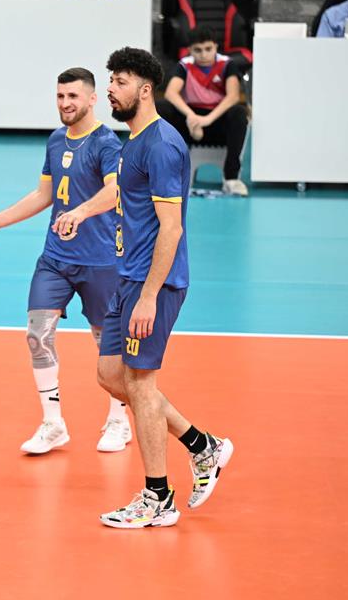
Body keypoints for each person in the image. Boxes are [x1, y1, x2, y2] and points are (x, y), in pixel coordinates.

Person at [72, 47, 234, 529]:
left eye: (119, 82)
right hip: (128, 276)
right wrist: (82, 212)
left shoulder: (162, 145)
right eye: (111, 81)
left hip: (154, 284)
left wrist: (148, 296)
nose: (110, 90)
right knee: (110, 375)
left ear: (145, 89)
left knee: (141, 384)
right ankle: (203, 446)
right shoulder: (133, 142)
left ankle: (157, 496)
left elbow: (172, 227)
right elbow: (124, 197)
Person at [0, 67, 131, 454]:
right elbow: (44, 195)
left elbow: (115, 191)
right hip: (56, 258)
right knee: (37, 335)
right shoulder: (56, 140)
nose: (65, 103)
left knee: (107, 345)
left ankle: (119, 421)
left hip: (100, 260)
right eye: (60, 96)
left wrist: (80, 212)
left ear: (92, 99)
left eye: (73, 96)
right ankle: (53, 424)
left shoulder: (107, 143)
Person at [159, 27, 249, 197]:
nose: (204, 54)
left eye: (208, 49)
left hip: (216, 121)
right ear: (190, 50)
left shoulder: (227, 64)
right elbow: (171, 93)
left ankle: (231, 178)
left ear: (216, 47)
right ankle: (167, 174)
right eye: (198, 50)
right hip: (190, 121)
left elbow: (233, 96)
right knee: (161, 108)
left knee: (238, 112)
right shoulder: (184, 65)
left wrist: (207, 119)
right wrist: (191, 116)